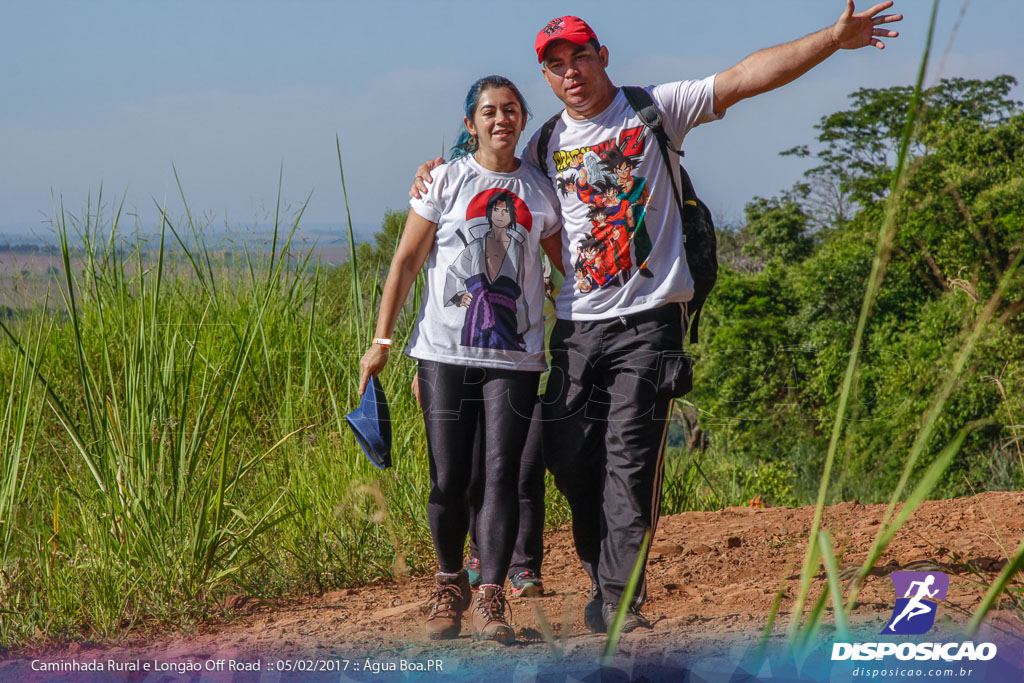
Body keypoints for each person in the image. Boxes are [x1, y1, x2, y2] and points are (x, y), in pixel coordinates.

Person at [412, 2, 903, 634]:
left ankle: (618, 601)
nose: (571, 73)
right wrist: (434, 164)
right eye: (556, 65)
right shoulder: (543, 144)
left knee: (630, 460)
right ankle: (601, 570)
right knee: (568, 459)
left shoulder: (654, 110)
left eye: (580, 58)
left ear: (602, 58)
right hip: (577, 325)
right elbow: (487, 163)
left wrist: (833, 40)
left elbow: (746, 77)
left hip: (649, 324)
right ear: (548, 77)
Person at [359, 75, 563, 643]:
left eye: (512, 110)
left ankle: (492, 596)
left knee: (500, 474)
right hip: (444, 353)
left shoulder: (540, 191)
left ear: (523, 120)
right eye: (490, 111)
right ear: (470, 124)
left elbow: (564, 270)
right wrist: (382, 342)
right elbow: (404, 262)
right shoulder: (445, 181)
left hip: (516, 356)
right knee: (449, 477)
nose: (502, 119)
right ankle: (450, 582)